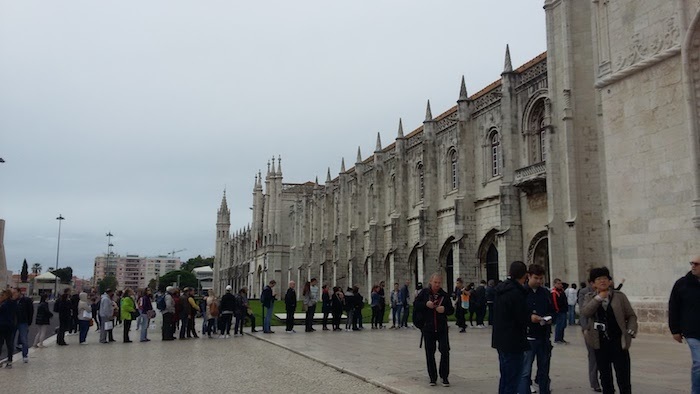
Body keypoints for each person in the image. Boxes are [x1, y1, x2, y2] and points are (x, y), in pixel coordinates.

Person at [581, 267, 637, 394]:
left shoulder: (619, 296)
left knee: (623, 377)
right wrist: (599, 298)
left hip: (618, 341)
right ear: (593, 283)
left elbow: (631, 315)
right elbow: (586, 312)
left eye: (605, 278)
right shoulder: (589, 297)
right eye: (598, 279)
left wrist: (630, 331)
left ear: (610, 281)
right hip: (599, 342)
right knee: (605, 378)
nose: (602, 281)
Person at [492, 261, 531, 394]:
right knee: (513, 380)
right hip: (513, 342)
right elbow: (521, 318)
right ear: (525, 275)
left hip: (501, 340)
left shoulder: (501, 289)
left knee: (506, 378)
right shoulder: (516, 293)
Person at [414, 273, 455, 387]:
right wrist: (425, 304)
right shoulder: (424, 293)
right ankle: (432, 377)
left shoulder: (444, 295)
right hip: (428, 328)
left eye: (439, 282)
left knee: (445, 351)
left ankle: (444, 376)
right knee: (430, 353)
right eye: (435, 282)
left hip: (442, 328)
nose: (437, 285)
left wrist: (445, 309)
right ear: (431, 282)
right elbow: (416, 304)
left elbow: (451, 310)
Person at [520, 264, 554, 394]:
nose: (539, 281)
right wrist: (530, 318)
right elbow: (517, 314)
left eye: (541, 278)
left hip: (543, 336)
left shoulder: (545, 292)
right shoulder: (522, 292)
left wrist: (550, 318)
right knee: (525, 371)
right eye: (536, 278)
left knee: (544, 370)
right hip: (527, 337)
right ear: (528, 276)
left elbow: (552, 310)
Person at [668, 257, 700, 394]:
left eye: (696, 264)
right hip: (692, 332)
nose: (693, 266)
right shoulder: (682, 284)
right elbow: (673, 307)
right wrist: (675, 330)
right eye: (692, 263)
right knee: (699, 363)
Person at [578, 279, 602, 392]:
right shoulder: (585, 293)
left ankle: (605, 379)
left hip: (602, 329)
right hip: (590, 329)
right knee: (593, 356)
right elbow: (583, 311)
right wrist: (585, 328)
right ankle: (594, 382)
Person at [14, 287, 33, 361]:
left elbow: (30, 311)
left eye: (15, 292)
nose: (14, 294)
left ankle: (25, 355)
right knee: (11, 339)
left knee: (24, 339)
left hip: (23, 321)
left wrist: (29, 322)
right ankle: (10, 357)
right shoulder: (13, 300)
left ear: (19, 292)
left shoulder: (26, 300)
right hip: (14, 322)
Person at [0, 289, 17, 368]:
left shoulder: (3, 304)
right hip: (10, 326)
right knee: (9, 344)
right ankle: (10, 360)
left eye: (2, 295)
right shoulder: (14, 303)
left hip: (2, 325)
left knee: (0, 343)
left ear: (6, 295)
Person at [551, 279, 569, 344]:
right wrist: (557, 310)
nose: (560, 285)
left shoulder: (561, 291)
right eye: (558, 283)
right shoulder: (554, 292)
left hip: (563, 310)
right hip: (559, 311)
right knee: (559, 325)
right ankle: (557, 339)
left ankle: (561, 338)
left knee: (563, 325)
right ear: (555, 284)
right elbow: (554, 302)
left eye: (560, 283)